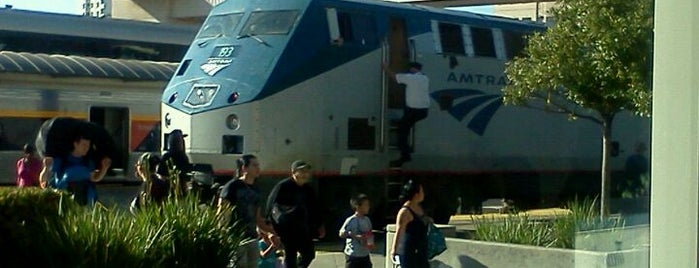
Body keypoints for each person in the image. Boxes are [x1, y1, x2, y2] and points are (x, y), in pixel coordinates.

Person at [218, 154, 279, 268]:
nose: (258, 168)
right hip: (235, 238)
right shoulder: (232, 187)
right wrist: (222, 235)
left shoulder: (256, 190)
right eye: (254, 165)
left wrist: (272, 232)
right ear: (244, 168)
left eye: (258, 165)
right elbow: (222, 213)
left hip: (252, 238)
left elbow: (258, 219)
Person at [266, 160, 325, 268]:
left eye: (307, 171)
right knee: (290, 257)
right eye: (301, 171)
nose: (305, 174)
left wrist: (320, 225)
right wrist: (271, 229)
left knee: (309, 254)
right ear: (293, 172)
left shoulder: (308, 189)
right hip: (287, 230)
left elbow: (315, 208)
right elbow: (271, 207)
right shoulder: (283, 186)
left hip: (304, 229)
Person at [381, 62, 430, 167]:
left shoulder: (411, 78)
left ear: (413, 69)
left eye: (410, 68)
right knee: (405, 126)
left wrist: (385, 68)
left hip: (413, 111)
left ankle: (405, 156)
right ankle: (405, 150)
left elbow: (394, 77)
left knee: (401, 132)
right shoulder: (425, 78)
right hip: (423, 111)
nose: (409, 70)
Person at [39, 134, 111, 206]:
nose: (86, 148)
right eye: (84, 145)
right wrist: (46, 168)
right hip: (65, 199)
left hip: (86, 201)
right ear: (75, 144)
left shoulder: (87, 162)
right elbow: (44, 181)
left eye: (88, 145)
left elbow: (94, 178)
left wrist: (104, 169)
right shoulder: (62, 160)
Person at [390, 179, 430, 268]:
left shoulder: (419, 207)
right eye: (421, 191)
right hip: (410, 251)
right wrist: (394, 250)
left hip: (421, 250)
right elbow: (399, 232)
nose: (423, 194)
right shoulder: (405, 212)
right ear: (416, 195)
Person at [339, 193, 374, 268]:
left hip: (365, 254)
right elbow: (341, 233)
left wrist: (370, 243)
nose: (368, 207)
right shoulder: (351, 220)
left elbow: (369, 233)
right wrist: (354, 236)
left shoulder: (367, 220)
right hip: (353, 255)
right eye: (366, 205)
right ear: (358, 206)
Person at [157, 129, 192, 197]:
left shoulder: (183, 157)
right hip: (169, 191)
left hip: (179, 191)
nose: (182, 143)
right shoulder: (167, 157)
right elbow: (161, 176)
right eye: (180, 141)